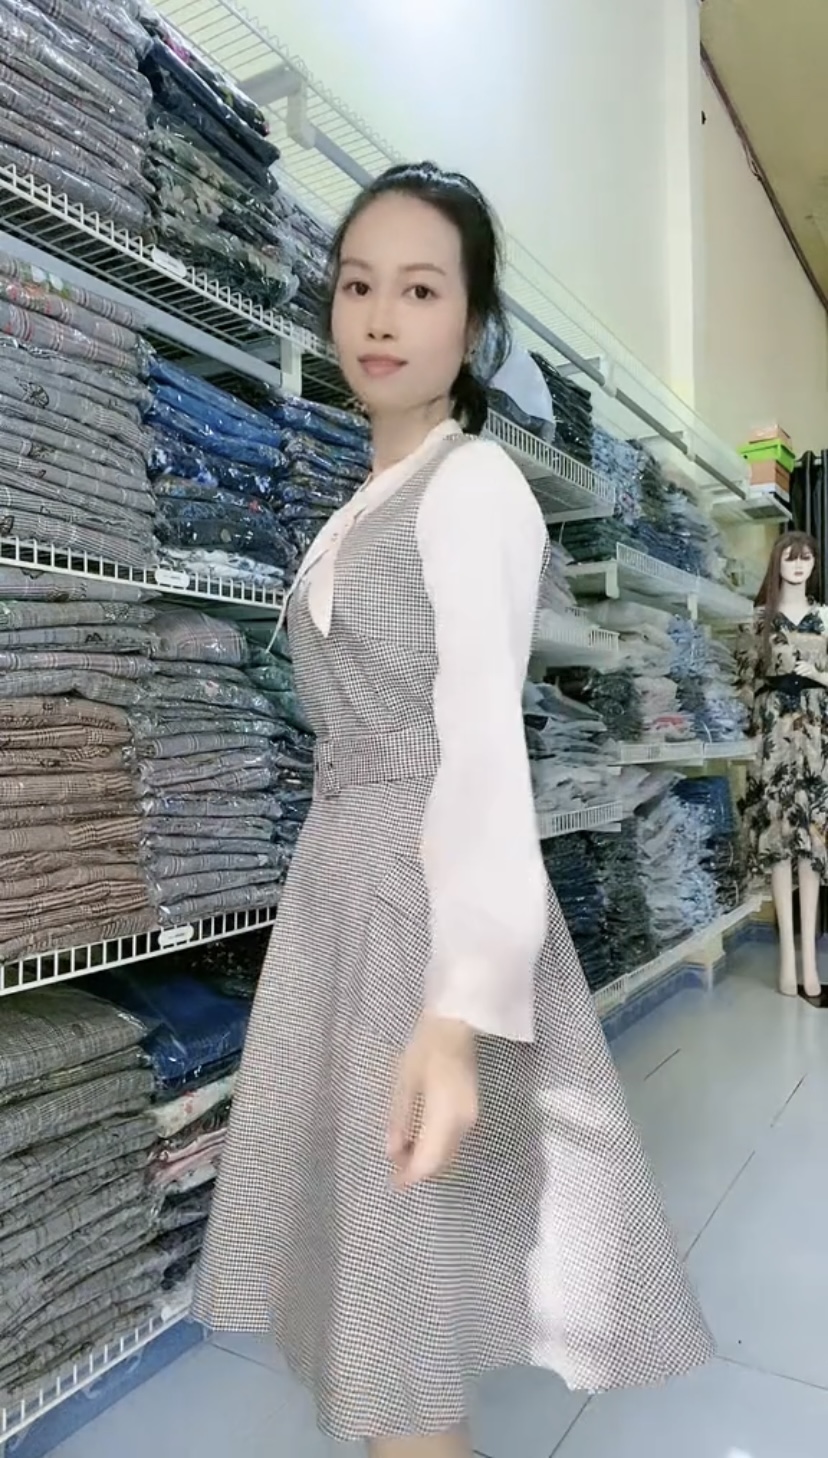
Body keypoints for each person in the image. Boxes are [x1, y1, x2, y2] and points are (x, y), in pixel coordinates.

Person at [193, 161, 713, 1456]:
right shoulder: (367, 499)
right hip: (345, 892)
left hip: (414, 908)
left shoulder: (474, 484)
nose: (380, 316)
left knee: (396, 1337)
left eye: (420, 291)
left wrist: (455, 1007)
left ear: (472, 324)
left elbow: (482, 746)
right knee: (383, 1318)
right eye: (358, 284)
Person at [736, 531, 828, 999]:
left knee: (811, 842)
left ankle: (810, 960)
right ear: (778, 563)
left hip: (816, 735)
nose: (798, 564)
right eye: (790, 558)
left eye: (805, 557)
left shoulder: (825, 616)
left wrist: (818, 675)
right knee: (778, 843)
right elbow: (743, 682)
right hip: (773, 735)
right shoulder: (759, 618)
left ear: (814, 564)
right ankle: (787, 960)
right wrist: (750, 736)